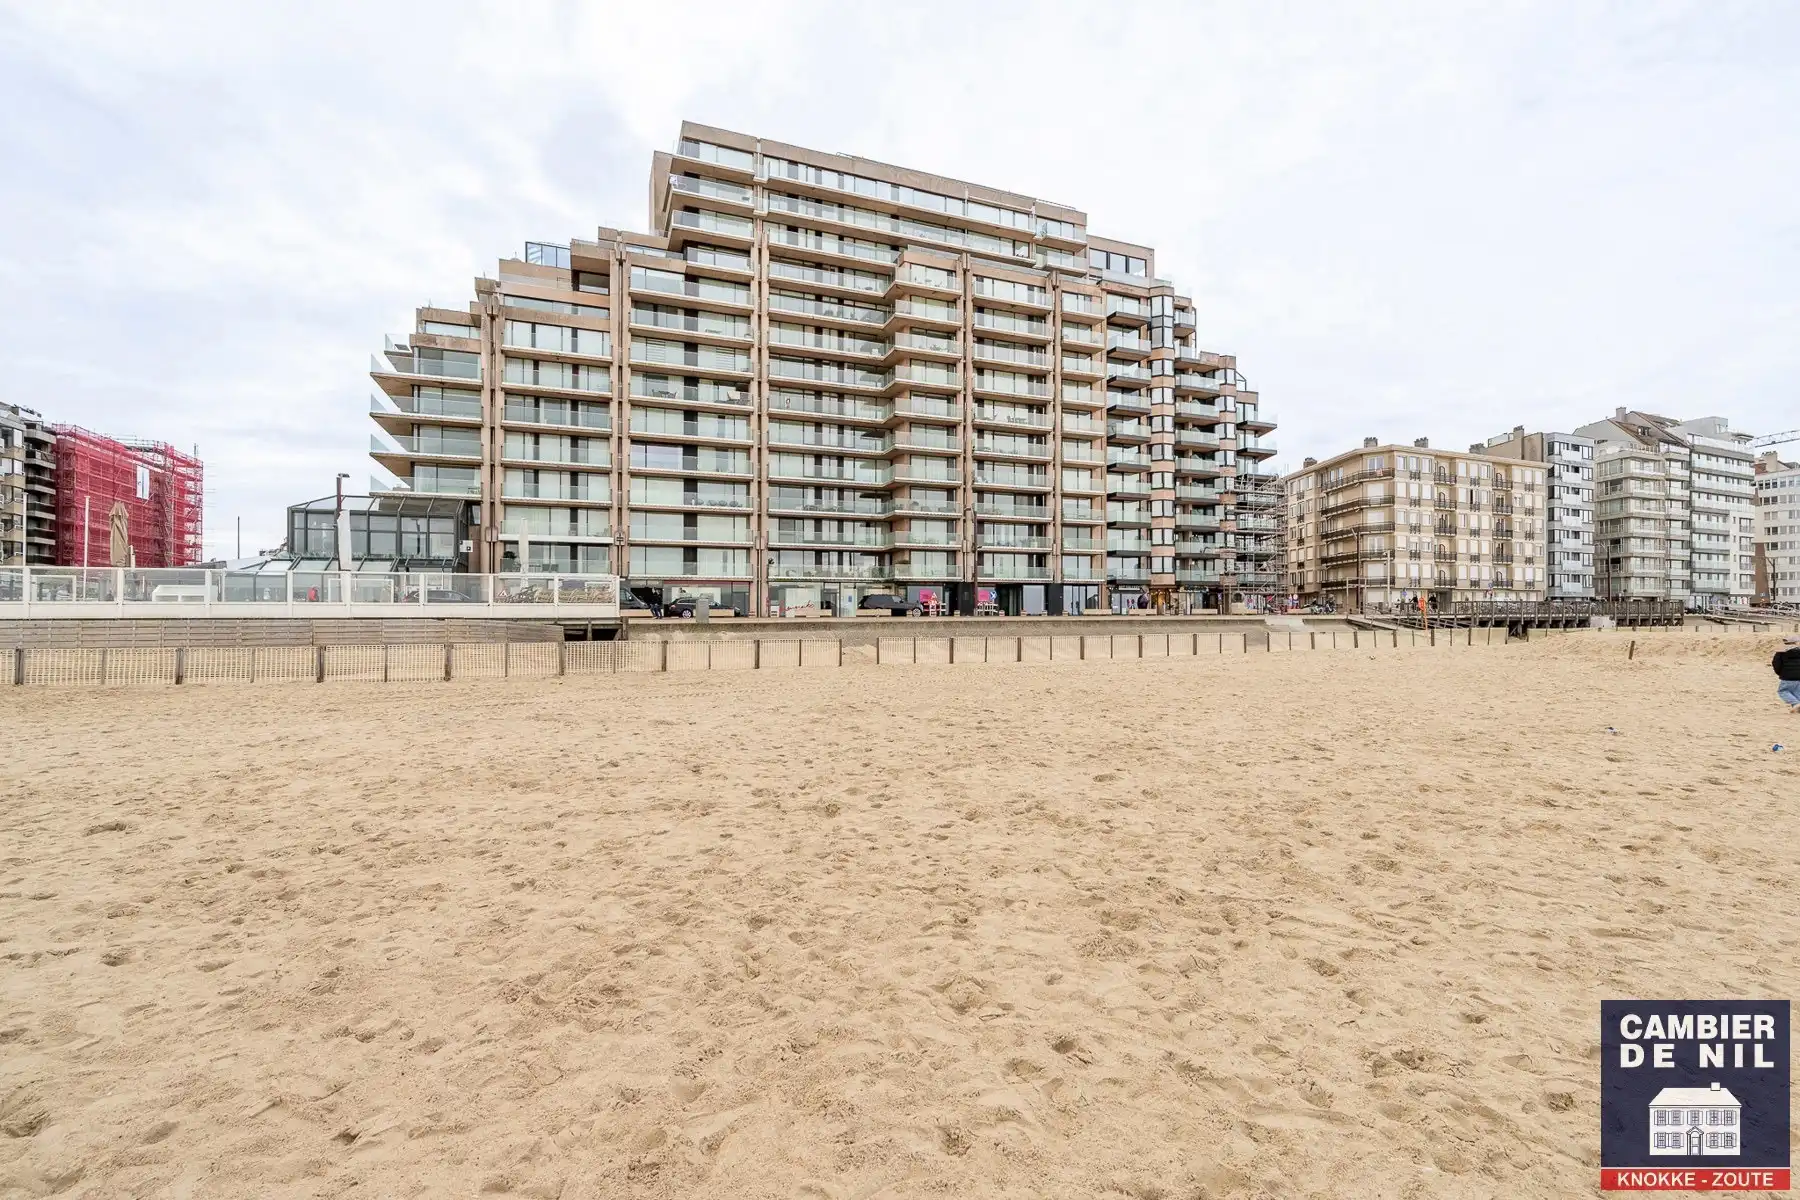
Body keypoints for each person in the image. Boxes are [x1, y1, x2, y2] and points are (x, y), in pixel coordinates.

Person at [1776, 637, 1800, 713]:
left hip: (1787, 676)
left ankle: (1796, 703)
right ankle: (1798, 709)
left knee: (1783, 691)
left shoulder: (1780, 652)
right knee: (1796, 692)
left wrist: (1780, 673)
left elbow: (1776, 664)